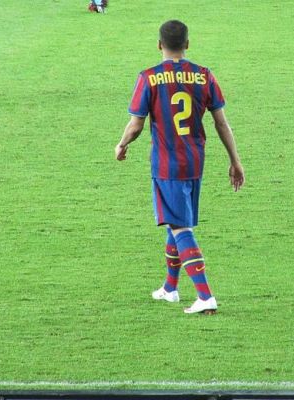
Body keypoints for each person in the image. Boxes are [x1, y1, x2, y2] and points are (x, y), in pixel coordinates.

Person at [115, 20, 244, 314]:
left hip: (167, 163)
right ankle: (170, 288)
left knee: (179, 226)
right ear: (187, 44)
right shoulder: (204, 75)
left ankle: (205, 296)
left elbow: (136, 126)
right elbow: (221, 123)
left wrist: (121, 144)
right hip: (195, 160)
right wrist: (235, 161)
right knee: (175, 220)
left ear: (159, 45)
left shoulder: (149, 78)